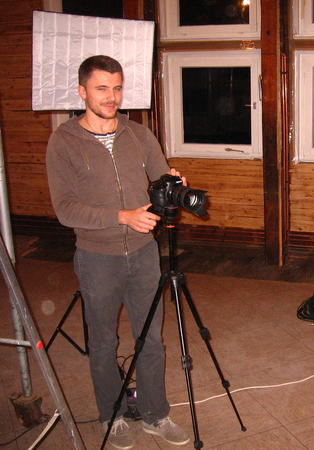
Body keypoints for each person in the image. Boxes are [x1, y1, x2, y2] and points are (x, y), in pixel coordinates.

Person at [46, 55, 189, 449]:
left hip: (144, 253)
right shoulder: (63, 141)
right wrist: (121, 217)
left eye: (117, 88)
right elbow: (65, 209)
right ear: (82, 91)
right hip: (96, 257)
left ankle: (156, 413)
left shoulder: (139, 134)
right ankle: (113, 414)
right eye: (102, 88)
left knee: (151, 340)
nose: (112, 97)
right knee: (103, 344)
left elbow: (159, 178)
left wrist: (172, 184)